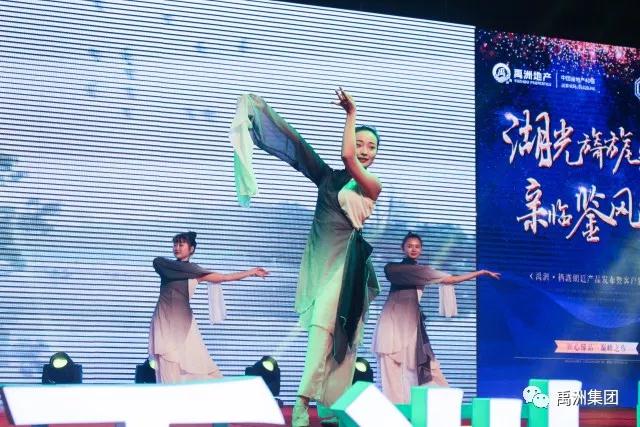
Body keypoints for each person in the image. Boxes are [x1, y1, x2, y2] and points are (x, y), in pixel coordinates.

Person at [230, 88, 381, 426]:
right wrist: (258, 113)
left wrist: (351, 114)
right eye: (360, 143)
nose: (364, 151)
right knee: (324, 336)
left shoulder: (371, 184)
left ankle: (309, 404)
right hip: (323, 265)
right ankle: (320, 406)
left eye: (371, 147)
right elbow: (297, 148)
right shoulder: (327, 178)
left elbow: (347, 158)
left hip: (347, 271)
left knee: (334, 338)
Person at [372, 232, 500, 404]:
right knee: (392, 367)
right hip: (392, 324)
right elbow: (392, 273)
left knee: (426, 365)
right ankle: (395, 407)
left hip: (411, 324)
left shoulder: (424, 271)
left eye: (417, 246)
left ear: (421, 249)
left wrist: (480, 273)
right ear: (403, 248)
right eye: (409, 246)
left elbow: (451, 279)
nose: (413, 249)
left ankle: (438, 404)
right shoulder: (394, 268)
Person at [148, 231, 268, 383]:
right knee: (167, 359)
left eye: (181, 244)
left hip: (183, 321)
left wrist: (251, 272)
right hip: (164, 320)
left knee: (194, 359)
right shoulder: (166, 266)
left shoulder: (196, 272)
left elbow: (224, 277)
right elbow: (156, 261)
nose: (177, 247)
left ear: (191, 249)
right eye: (175, 244)